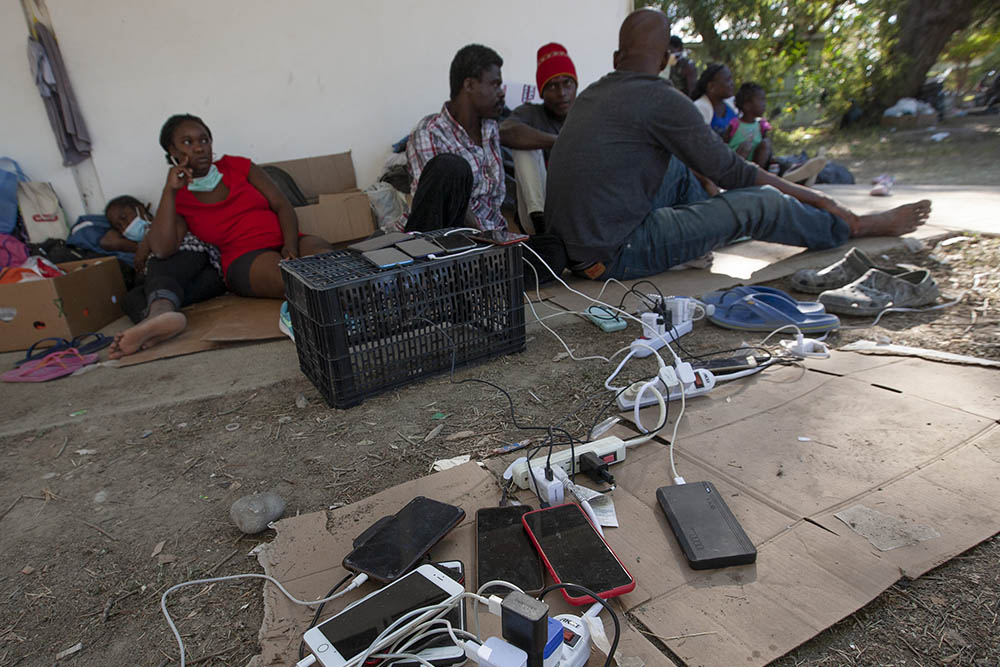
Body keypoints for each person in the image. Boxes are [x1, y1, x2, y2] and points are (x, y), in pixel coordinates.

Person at [544, 8, 931, 282]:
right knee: (758, 202)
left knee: (680, 168)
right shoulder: (661, 98)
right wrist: (826, 202)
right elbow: (737, 173)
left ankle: (705, 233)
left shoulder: (595, 92)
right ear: (664, 60)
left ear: (616, 58)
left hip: (578, 248)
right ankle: (855, 226)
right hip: (614, 253)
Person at [110, 114, 334, 358]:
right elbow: (163, 249)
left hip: (288, 240)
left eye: (204, 140)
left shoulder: (238, 166)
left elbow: (282, 205)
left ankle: (349, 301)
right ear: (171, 150)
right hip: (245, 258)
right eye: (187, 142)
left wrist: (290, 246)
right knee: (298, 280)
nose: (199, 148)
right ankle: (334, 316)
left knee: (329, 261)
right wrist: (169, 190)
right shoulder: (180, 197)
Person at [405, 44, 507, 233]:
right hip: (447, 238)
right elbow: (437, 203)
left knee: (552, 246)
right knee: (452, 167)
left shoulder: (490, 127)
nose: (501, 92)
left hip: (493, 240)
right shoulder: (429, 132)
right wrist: (490, 242)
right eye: (494, 84)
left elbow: (516, 131)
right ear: (468, 85)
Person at [499, 42, 578, 234]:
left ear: (576, 84)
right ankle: (542, 226)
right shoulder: (531, 113)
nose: (562, 93)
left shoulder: (588, 113)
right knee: (522, 144)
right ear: (541, 91)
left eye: (567, 82)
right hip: (537, 215)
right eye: (552, 85)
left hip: (577, 209)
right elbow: (504, 131)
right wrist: (559, 141)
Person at [723, 83, 772, 168]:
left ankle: (759, 174)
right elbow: (724, 145)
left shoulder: (761, 125)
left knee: (766, 143)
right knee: (746, 146)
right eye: (761, 100)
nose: (764, 104)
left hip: (755, 165)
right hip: (737, 165)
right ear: (747, 106)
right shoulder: (735, 125)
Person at [692, 64, 738, 136]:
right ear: (711, 86)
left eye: (731, 79)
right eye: (727, 80)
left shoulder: (732, 103)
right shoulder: (700, 108)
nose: (732, 83)